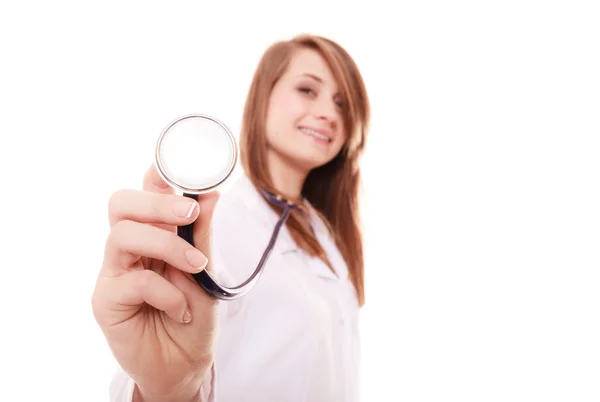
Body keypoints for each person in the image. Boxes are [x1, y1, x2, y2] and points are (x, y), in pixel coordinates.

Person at [92, 33, 371, 402]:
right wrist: (169, 388)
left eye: (341, 103)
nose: (329, 113)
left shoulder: (324, 233)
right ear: (262, 98)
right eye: (307, 90)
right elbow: (152, 367)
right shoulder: (217, 223)